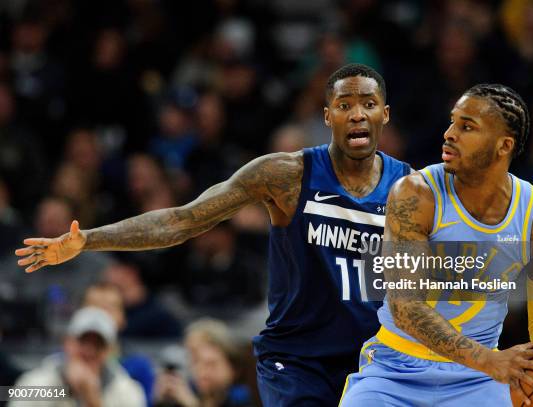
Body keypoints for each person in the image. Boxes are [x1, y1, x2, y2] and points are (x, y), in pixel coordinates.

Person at [15, 63, 411, 406]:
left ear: (385, 115)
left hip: (369, 356)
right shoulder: (286, 174)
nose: (357, 115)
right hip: (296, 359)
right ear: (328, 117)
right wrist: (89, 238)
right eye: (345, 106)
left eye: (368, 105)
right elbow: (182, 220)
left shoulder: (411, 189)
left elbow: (432, 281)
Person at [340, 84, 533, 406]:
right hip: (394, 369)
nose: (449, 134)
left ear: (503, 145)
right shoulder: (414, 194)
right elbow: (406, 306)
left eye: (467, 127)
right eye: (452, 122)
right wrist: (491, 361)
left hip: (478, 381)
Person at [9, 307, 145, 407]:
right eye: (83, 341)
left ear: (109, 350)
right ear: (67, 343)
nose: (89, 351)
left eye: (98, 344)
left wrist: (93, 401)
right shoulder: (35, 384)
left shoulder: (127, 391)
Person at [154, 318, 253, 407]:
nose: (202, 372)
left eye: (211, 364)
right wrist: (161, 402)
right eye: (195, 362)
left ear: (233, 367)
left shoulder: (240, 397)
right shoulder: (188, 391)